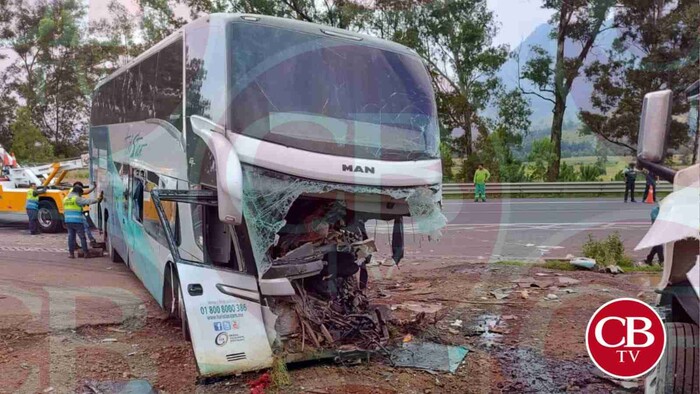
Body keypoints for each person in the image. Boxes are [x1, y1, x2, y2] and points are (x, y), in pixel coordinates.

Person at [63, 185, 102, 259]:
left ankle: (71, 254)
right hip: (77, 221)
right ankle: (86, 253)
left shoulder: (65, 199)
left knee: (71, 237)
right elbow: (87, 201)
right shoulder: (76, 198)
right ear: (78, 192)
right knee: (82, 237)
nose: (81, 195)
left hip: (68, 220)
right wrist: (98, 199)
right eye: (81, 194)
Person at [72, 181, 98, 246]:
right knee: (85, 227)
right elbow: (86, 193)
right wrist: (94, 188)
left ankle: (74, 244)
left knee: (72, 231)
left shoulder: (72, 193)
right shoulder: (75, 193)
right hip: (77, 215)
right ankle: (91, 241)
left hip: (69, 215)